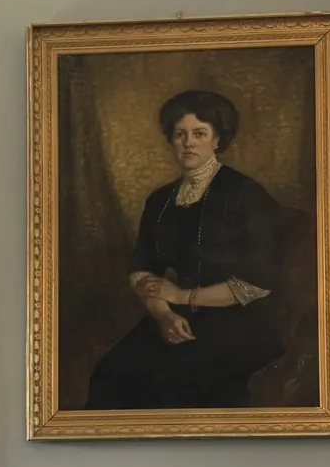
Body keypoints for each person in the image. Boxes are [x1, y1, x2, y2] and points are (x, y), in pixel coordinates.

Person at [86, 89, 288, 410]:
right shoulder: (160, 201)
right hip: (176, 317)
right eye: (180, 135)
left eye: (199, 133)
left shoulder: (245, 194)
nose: (188, 143)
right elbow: (143, 268)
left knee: (178, 379)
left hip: (243, 319)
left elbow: (260, 281)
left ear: (217, 140)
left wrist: (181, 297)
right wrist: (163, 313)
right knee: (109, 374)